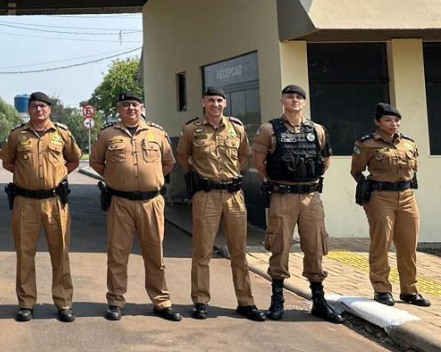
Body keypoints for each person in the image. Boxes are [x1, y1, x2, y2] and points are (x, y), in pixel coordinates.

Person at [252, 84, 342, 323]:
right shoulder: (269, 129)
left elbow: (325, 160)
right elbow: (260, 162)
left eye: (299, 97)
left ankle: (319, 301)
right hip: (282, 195)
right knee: (279, 245)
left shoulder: (317, 129)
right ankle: (277, 299)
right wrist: (279, 180)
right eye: (290, 96)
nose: (294, 100)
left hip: (311, 197)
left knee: (315, 245)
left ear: (304, 101)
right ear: (282, 100)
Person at [91, 91, 182, 323]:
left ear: (141, 107)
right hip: (119, 202)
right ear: (118, 109)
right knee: (117, 254)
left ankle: (161, 301)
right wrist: (116, 178)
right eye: (125, 105)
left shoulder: (157, 133)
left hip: (151, 202)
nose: (130, 108)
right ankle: (115, 301)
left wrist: (149, 180)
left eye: (134, 104)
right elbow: (96, 162)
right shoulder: (107, 134)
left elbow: (168, 163)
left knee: (155, 253)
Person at [177, 87, 265, 321]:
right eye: (210, 100)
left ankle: (246, 302)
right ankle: (201, 300)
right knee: (202, 251)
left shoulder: (237, 128)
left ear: (225, 103)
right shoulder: (191, 130)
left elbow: (243, 156)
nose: (215, 104)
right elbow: (183, 157)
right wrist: (198, 174)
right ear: (203, 102)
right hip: (205, 195)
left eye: (219, 100)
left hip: (233, 195)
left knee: (239, 251)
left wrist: (230, 173)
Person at [0, 92, 81, 323]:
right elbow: (6, 161)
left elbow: (74, 159)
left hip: (55, 202)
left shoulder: (62, 133)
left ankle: (64, 302)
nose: (39, 110)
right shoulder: (17, 134)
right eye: (35, 106)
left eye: (43, 107)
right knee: (25, 254)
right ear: (29, 109)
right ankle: (26, 303)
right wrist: (26, 176)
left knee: (60, 252)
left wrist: (59, 176)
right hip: (25, 203)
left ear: (49, 109)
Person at [350, 103, 430, 308]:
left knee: (408, 245)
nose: (393, 124)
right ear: (378, 122)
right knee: (381, 242)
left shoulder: (409, 143)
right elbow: (356, 170)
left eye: (396, 120)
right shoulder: (366, 144)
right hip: (380, 197)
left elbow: (414, 169)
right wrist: (366, 186)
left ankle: (409, 290)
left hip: (406, 196)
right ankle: (381, 288)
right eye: (387, 120)